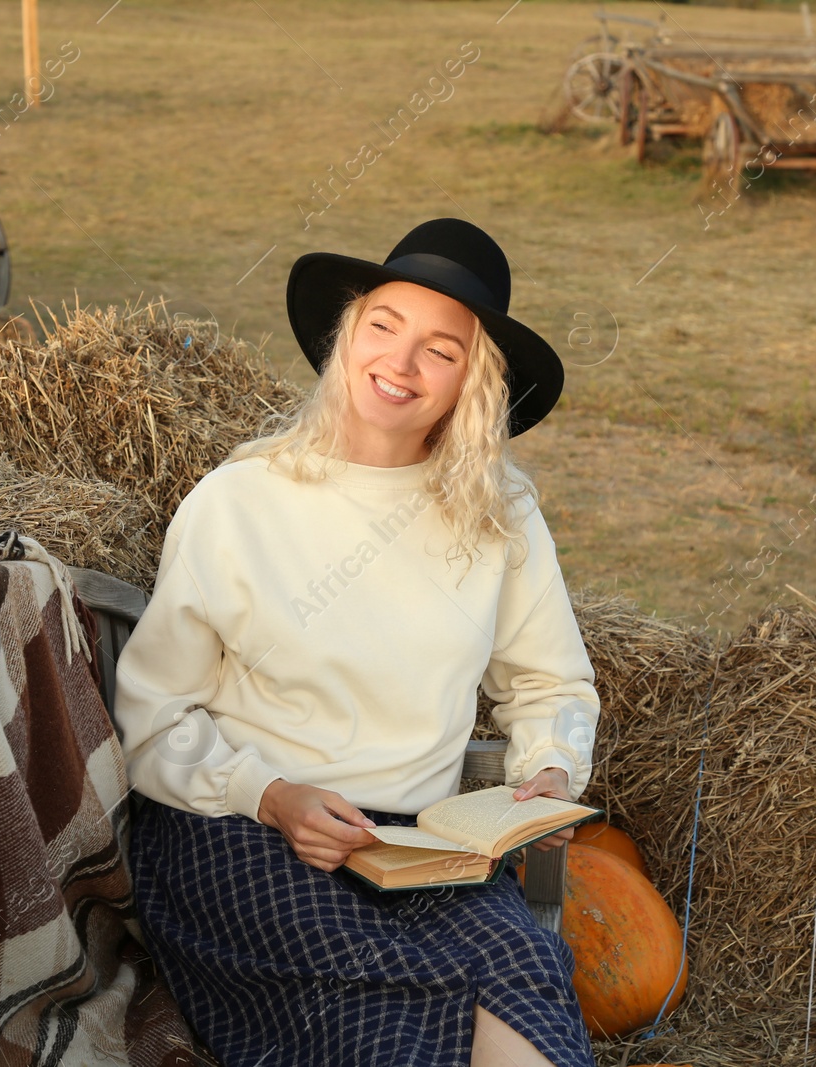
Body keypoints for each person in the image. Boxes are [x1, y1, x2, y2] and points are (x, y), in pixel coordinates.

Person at [113, 218, 601, 1067]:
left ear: (473, 382)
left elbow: (550, 684)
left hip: (421, 849)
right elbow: (154, 719)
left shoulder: (502, 515)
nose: (401, 364)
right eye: (384, 326)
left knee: (524, 960)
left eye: (440, 350)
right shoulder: (238, 501)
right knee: (374, 1010)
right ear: (348, 335)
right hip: (242, 833)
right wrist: (271, 795)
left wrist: (548, 770)